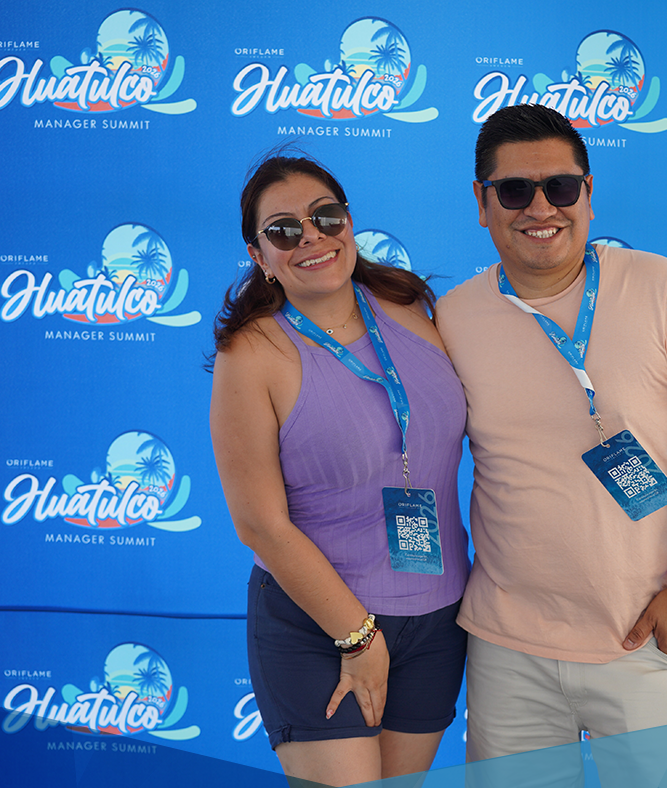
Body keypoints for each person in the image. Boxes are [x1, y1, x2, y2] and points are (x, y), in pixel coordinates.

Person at [437, 104, 667, 772]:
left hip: (643, 637)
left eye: (560, 187)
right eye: (514, 190)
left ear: (588, 193)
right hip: (506, 650)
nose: (541, 207)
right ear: (481, 202)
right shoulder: (454, 316)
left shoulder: (660, 285)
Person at [209, 153, 469, 787]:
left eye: (325, 217)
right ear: (259, 254)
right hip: (317, 626)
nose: (311, 238)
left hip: (437, 619)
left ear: (349, 222)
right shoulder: (252, 354)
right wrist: (357, 637)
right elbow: (260, 525)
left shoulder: (410, 308)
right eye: (284, 230)